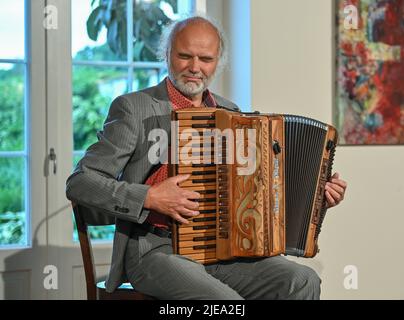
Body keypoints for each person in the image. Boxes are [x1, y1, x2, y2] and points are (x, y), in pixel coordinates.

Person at [66, 16, 347, 300]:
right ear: (167, 54)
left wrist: (313, 198)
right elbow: (80, 182)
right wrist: (149, 197)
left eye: (205, 59)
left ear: (218, 62)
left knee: (301, 280)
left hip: (224, 251)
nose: (194, 67)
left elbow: (258, 191)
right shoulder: (133, 108)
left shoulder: (231, 113)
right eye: (184, 56)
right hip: (156, 249)